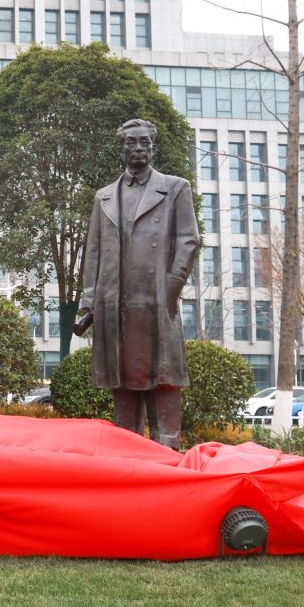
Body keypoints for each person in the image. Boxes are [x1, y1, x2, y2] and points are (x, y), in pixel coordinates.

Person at [72, 118, 200, 448]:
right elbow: (94, 252)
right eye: (131, 142)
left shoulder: (175, 188)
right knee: (123, 386)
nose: (138, 147)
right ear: (121, 149)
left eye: (144, 141)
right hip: (115, 305)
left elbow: (188, 240)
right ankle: (127, 457)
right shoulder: (104, 196)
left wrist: (170, 288)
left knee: (163, 382)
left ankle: (166, 454)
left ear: (153, 147)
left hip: (157, 302)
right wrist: (89, 303)